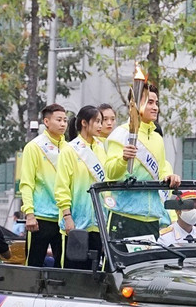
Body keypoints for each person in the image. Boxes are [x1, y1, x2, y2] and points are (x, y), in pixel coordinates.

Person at [104, 82, 180, 239]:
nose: (155, 107)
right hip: (124, 215)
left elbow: (161, 169)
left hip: (152, 218)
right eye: (149, 102)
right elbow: (110, 172)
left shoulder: (157, 138)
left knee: (148, 264)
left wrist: (169, 177)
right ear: (136, 104)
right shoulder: (120, 134)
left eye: (156, 103)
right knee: (118, 264)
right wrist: (123, 159)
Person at [55, 105, 107, 270]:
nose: (100, 126)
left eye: (101, 121)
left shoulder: (101, 148)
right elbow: (61, 187)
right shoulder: (69, 150)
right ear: (84, 123)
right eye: (97, 121)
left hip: (98, 224)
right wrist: (67, 216)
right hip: (76, 224)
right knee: (73, 272)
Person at [20, 103, 68, 267]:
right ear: (46, 122)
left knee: (63, 266)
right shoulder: (34, 147)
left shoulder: (69, 149)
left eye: (65, 120)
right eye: (59, 120)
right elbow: (26, 183)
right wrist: (29, 214)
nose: (63, 124)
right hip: (40, 217)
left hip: (63, 218)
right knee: (33, 265)